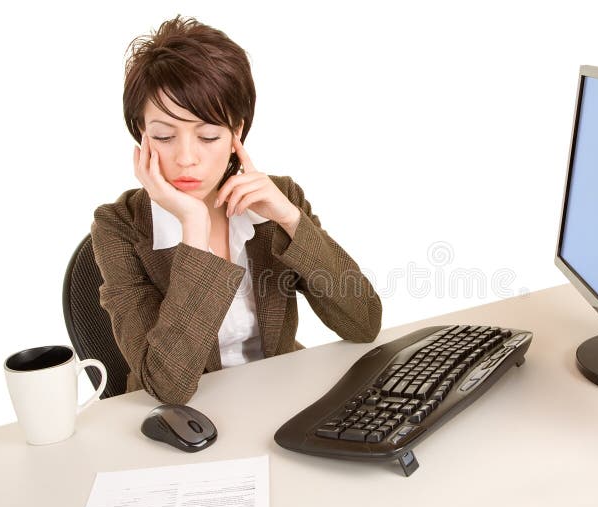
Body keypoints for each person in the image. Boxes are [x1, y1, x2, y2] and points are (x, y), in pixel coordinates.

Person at [91, 15, 382, 405]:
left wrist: (291, 220)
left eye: (209, 135)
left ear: (236, 134)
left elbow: (364, 322)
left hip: (281, 401)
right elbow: (167, 388)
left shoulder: (277, 198)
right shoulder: (120, 226)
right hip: (187, 422)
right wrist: (193, 226)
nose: (187, 158)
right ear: (141, 134)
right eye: (164, 136)